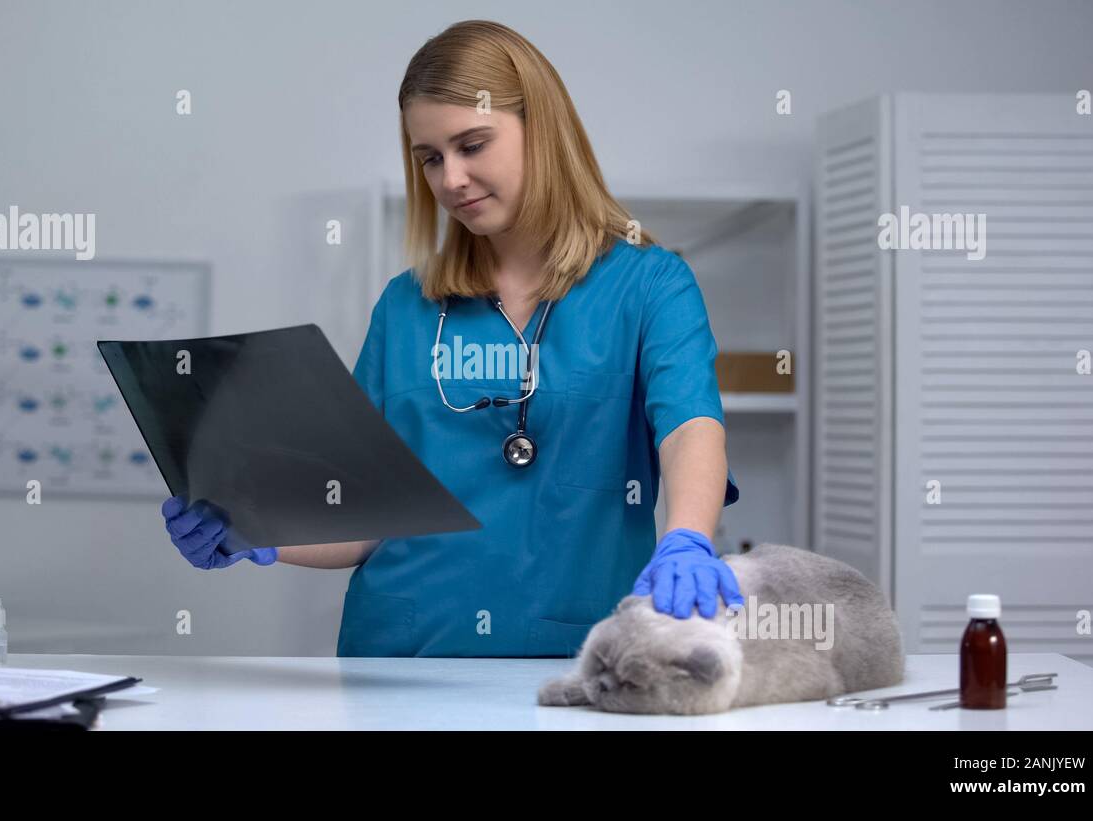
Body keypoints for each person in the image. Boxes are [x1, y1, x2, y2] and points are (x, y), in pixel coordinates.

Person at [162, 19, 741, 658]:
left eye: (473, 145)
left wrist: (687, 537)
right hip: (397, 658)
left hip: (575, 657)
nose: (452, 179)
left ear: (542, 130)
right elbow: (360, 518)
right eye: (431, 158)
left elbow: (689, 425)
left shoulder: (650, 284)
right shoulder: (407, 304)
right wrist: (254, 529)